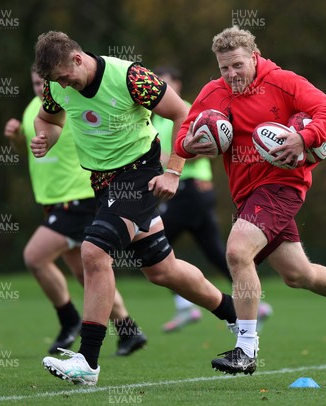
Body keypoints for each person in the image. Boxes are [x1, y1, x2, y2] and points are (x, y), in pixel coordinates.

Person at [174, 26, 326, 375]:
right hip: (247, 194)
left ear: (254, 58)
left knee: (237, 252)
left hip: (283, 185)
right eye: (224, 68)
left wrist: (304, 139)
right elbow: (184, 131)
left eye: (238, 66)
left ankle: (246, 349)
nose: (231, 75)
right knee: (298, 274)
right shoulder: (214, 92)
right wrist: (189, 145)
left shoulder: (283, 82)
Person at [32, 31, 238, 386]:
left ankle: (88, 361)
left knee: (94, 252)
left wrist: (174, 171)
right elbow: (48, 119)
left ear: (78, 59)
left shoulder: (130, 77)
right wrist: (45, 138)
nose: (62, 84)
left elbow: (182, 113)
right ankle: (238, 315)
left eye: (65, 76)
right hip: (102, 183)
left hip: (139, 174)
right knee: (163, 271)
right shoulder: (56, 85)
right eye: (55, 81)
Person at [4, 68, 147, 357]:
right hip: (53, 200)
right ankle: (128, 330)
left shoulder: (71, 101)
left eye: (42, 83)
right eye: (32, 82)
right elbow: (35, 151)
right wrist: (16, 138)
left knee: (34, 257)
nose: (37, 87)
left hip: (78, 198)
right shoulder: (37, 107)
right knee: (87, 275)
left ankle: (69, 321)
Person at [151, 65, 272, 332]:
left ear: (178, 84)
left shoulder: (186, 110)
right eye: (157, 82)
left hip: (189, 191)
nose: (161, 86)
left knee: (151, 248)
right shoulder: (156, 115)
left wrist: (166, 158)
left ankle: (186, 307)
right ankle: (256, 305)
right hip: (193, 193)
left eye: (166, 82)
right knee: (217, 252)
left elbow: (210, 147)